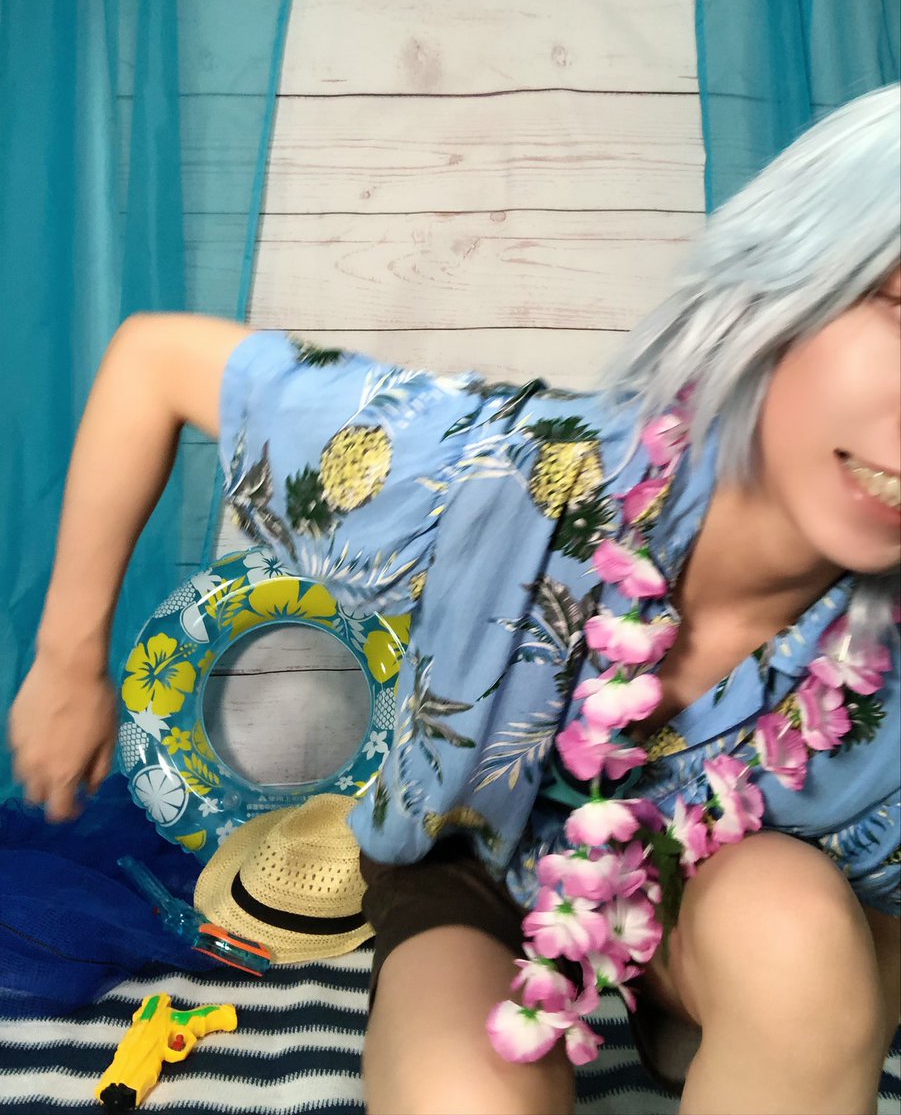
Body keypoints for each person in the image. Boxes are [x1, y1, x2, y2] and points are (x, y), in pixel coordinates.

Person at [9, 84, 900, 1115]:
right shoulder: (518, 470)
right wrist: (67, 662)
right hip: (465, 861)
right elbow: (155, 362)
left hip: (713, 897)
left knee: (797, 943)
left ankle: (689, 1009)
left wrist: (816, 1015)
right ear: (784, 284)